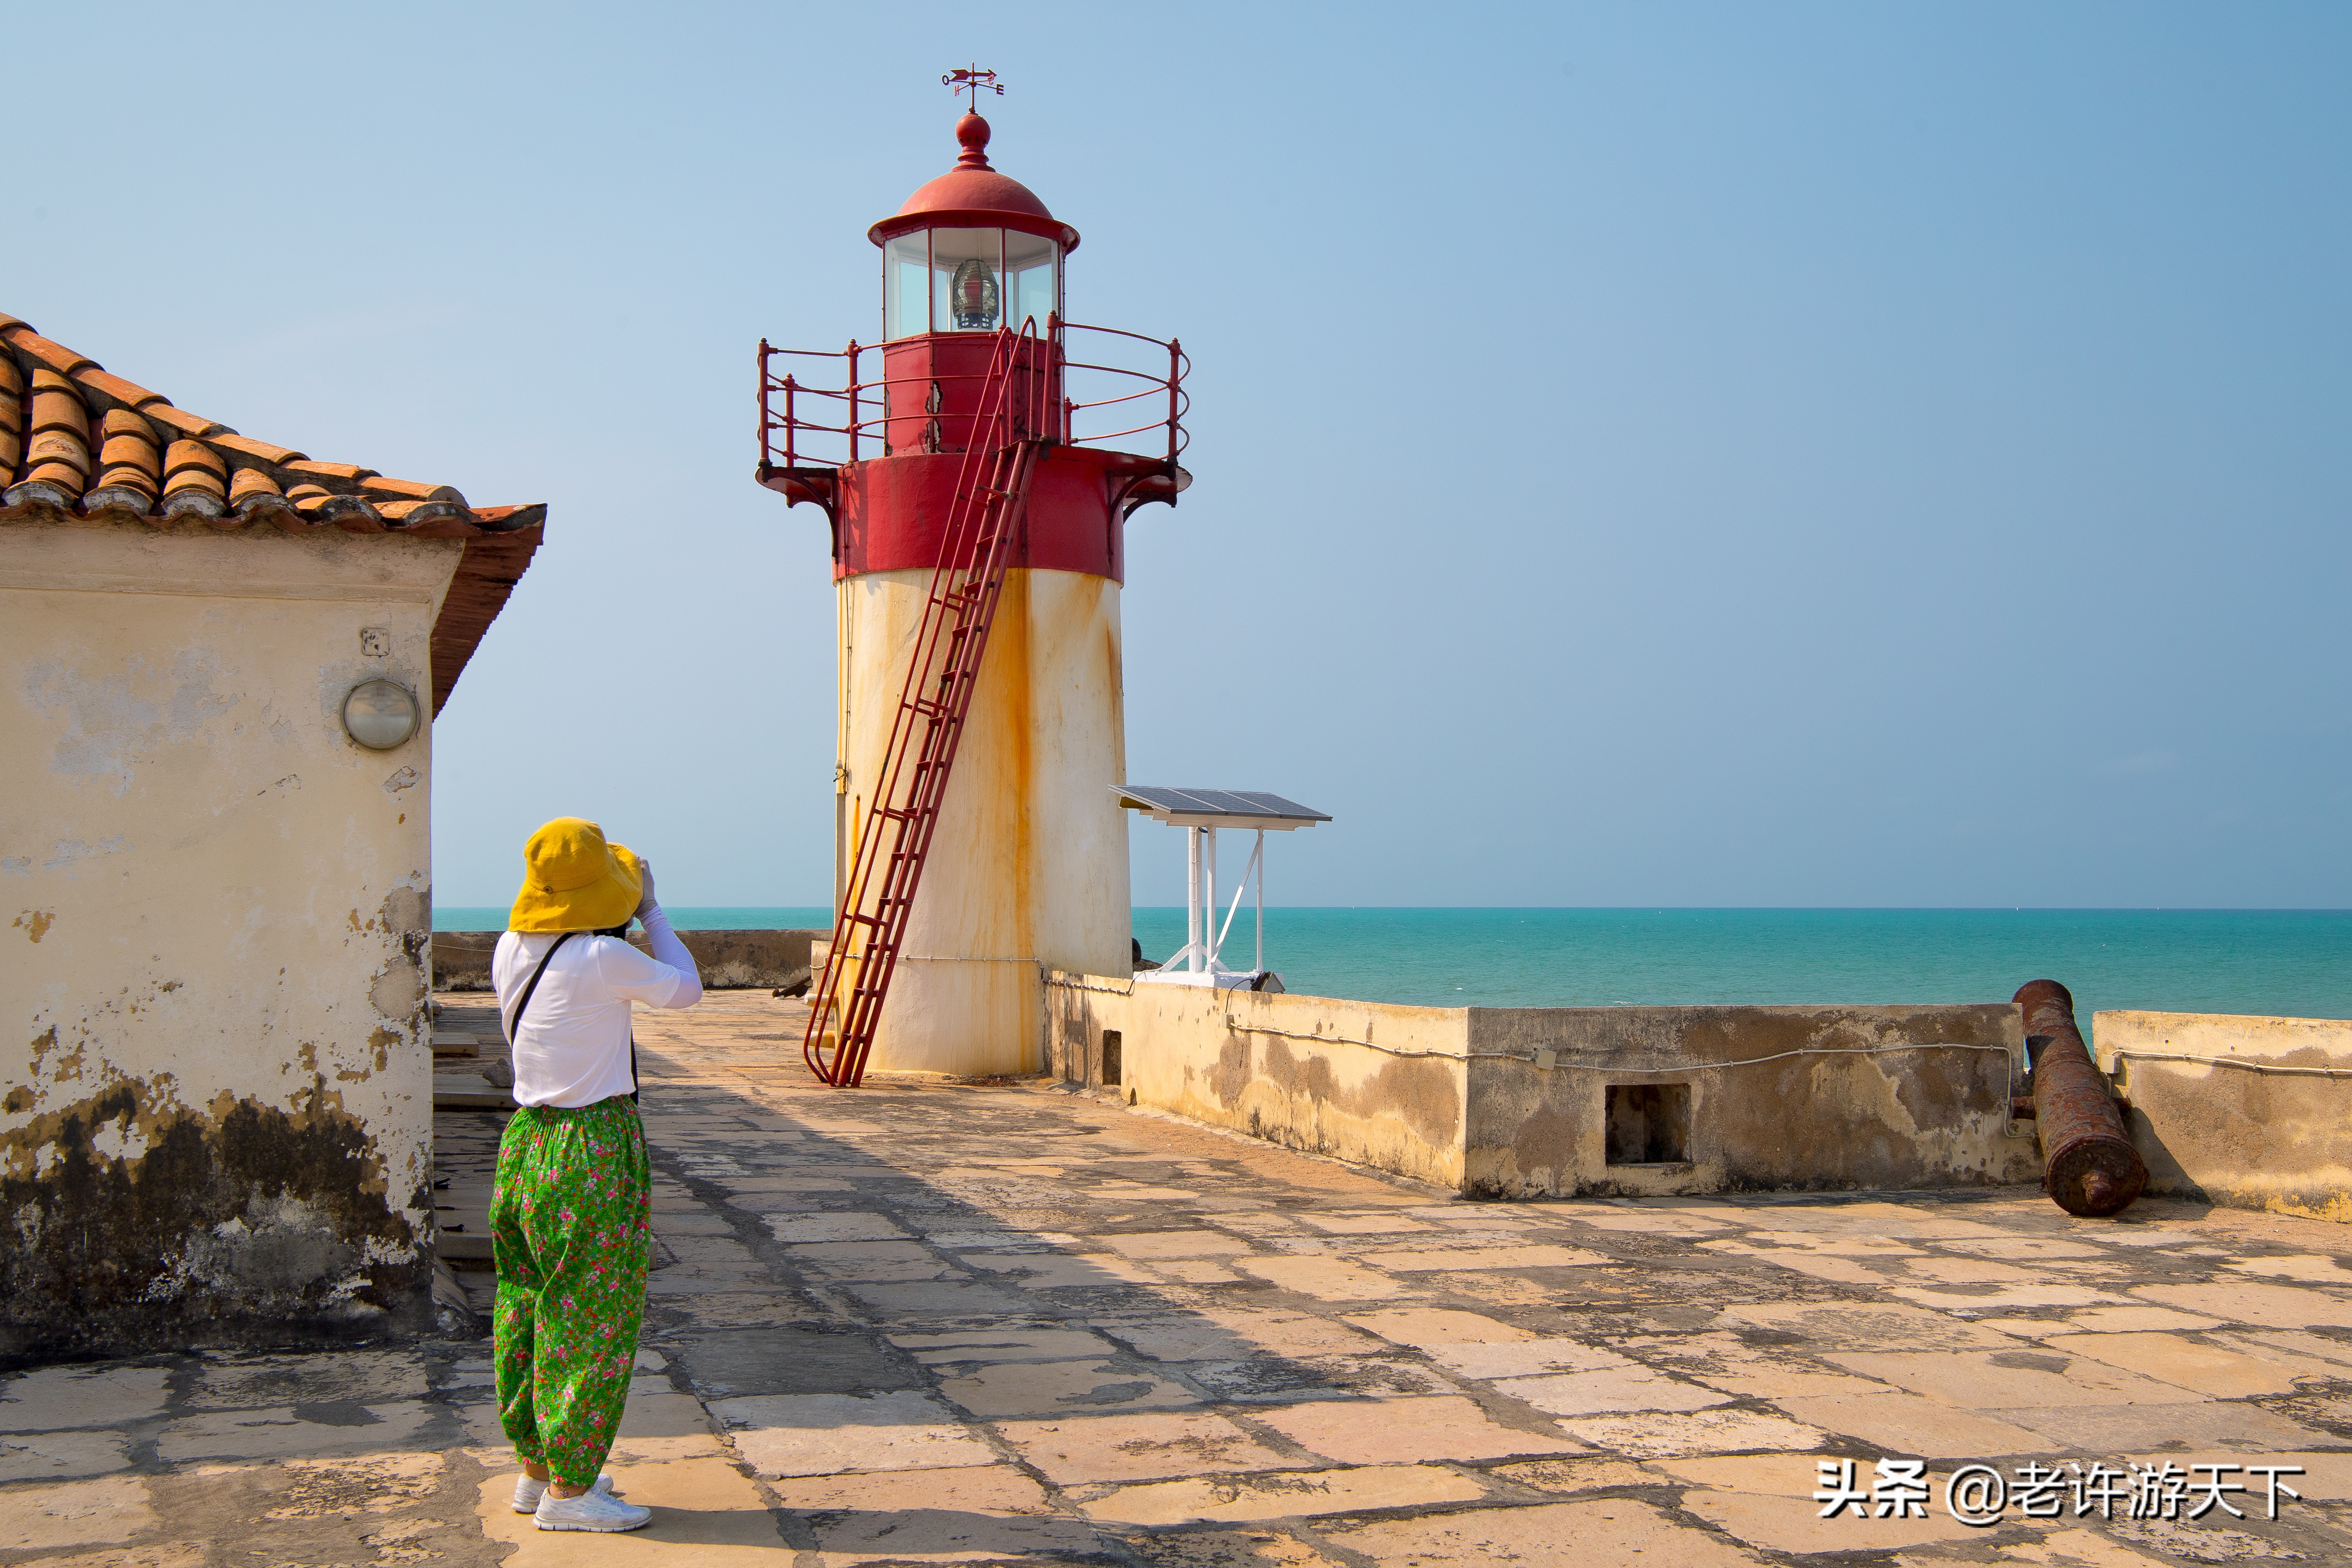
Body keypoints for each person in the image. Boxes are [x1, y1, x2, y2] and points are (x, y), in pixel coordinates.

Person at [488, 817, 703, 1532]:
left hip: (527, 1143)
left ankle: (538, 1468)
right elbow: (687, 989)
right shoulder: (602, 957)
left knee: (528, 1305)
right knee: (592, 1316)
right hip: (592, 1149)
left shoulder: (510, 947)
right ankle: (571, 1494)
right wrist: (652, 910)